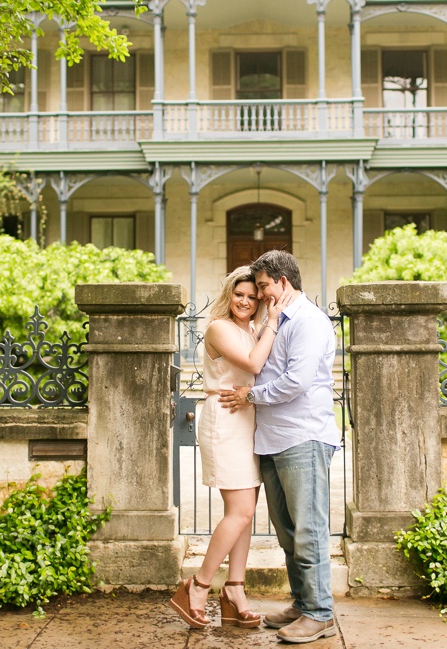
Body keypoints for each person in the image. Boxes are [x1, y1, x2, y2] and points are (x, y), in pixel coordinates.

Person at [219, 250, 340, 644]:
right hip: (272, 440)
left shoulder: (308, 321)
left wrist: (251, 396)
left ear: (283, 284)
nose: (258, 294)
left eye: (264, 287)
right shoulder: (275, 321)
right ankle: (303, 603)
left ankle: (320, 613)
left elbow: (297, 382)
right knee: (287, 532)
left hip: (303, 437)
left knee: (308, 530)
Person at [169, 266, 295, 629]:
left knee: (247, 511)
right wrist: (273, 318)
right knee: (239, 511)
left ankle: (235, 590)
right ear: (229, 295)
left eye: (253, 296)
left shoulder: (253, 329)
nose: (246, 301)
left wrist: (266, 324)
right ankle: (197, 586)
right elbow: (255, 363)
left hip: (249, 419)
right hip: (225, 418)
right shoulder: (219, 328)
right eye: (240, 294)